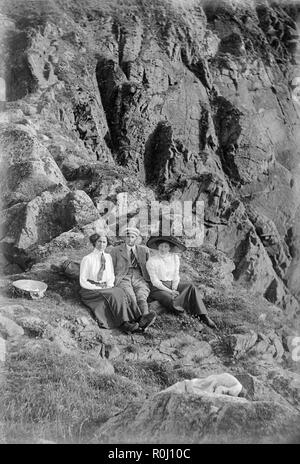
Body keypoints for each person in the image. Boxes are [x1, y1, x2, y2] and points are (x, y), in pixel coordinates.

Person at [145, 236, 217, 329]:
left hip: (172, 284)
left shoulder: (174, 258)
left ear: (170, 248)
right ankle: (185, 316)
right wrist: (170, 291)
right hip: (158, 288)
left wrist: (174, 288)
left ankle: (203, 315)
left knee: (190, 287)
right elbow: (155, 281)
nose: (163, 249)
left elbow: (176, 275)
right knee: (169, 298)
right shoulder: (152, 260)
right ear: (158, 246)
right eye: (161, 246)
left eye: (166, 246)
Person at [79, 233, 141, 334]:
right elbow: (83, 280)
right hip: (90, 289)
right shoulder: (87, 259)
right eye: (99, 241)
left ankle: (138, 318)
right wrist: (96, 287)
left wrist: (109, 285)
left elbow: (111, 274)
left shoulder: (108, 257)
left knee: (121, 291)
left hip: (104, 287)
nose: (102, 244)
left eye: (104, 242)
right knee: (113, 294)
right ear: (94, 243)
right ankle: (124, 323)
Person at [108, 227, 156, 331]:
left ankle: (145, 317)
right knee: (130, 296)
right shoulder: (116, 250)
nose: (130, 239)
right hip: (123, 276)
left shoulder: (144, 250)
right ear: (124, 238)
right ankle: (140, 320)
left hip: (139, 275)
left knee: (142, 293)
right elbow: (110, 267)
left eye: (133, 237)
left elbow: (150, 266)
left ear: (137, 238)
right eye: (128, 237)